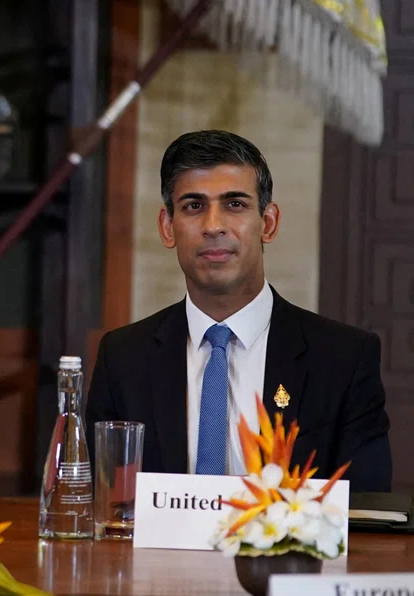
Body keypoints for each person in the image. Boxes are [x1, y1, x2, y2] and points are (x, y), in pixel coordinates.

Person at [86, 130, 392, 492]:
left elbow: (365, 509)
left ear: (269, 222)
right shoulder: (122, 358)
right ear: (168, 228)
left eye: (235, 204)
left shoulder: (344, 358)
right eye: (194, 206)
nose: (214, 226)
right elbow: (102, 501)